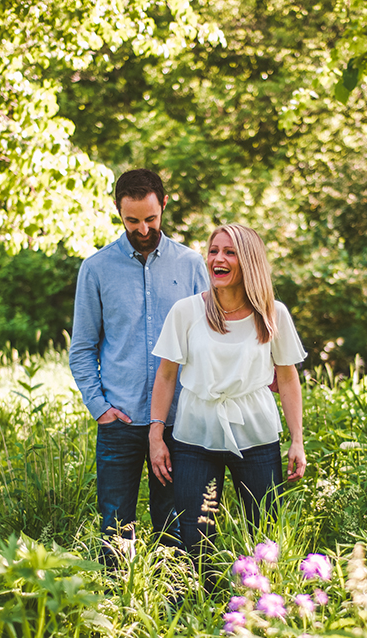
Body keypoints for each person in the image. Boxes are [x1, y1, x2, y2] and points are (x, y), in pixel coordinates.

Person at [148, 223, 306, 588]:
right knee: (196, 536)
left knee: (264, 532)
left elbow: (287, 378)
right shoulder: (187, 312)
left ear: (248, 261)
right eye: (214, 250)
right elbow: (166, 376)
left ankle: (260, 606)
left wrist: (296, 439)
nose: (218, 258)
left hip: (256, 435)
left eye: (229, 252)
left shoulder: (273, 313)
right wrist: (156, 434)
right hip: (194, 435)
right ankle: (199, 609)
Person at [69, 169, 209, 567]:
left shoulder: (192, 264)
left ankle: (175, 608)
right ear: (118, 211)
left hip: (180, 423)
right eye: (132, 221)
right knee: (115, 527)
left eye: (150, 219)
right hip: (120, 421)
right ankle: (119, 611)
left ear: (163, 205)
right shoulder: (95, 269)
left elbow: (209, 337)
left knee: (176, 524)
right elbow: (82, 348)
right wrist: (100, 408)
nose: (143, 228)